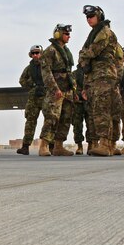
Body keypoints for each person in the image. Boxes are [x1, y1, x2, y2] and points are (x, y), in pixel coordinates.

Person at [78, 6, 120, 157]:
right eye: (87, 16)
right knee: (103, 110)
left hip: (104, 76)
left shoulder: (104, 32)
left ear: (99, 16)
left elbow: (91, 52)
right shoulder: (93, 33)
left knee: (102, 110)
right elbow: (86, 59)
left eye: (91, 15)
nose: (88, 19)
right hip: (97, 76)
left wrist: (82, 54)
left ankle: (105, 144)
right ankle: (109, 144)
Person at [40, 24, 76, 156]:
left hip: (67, 90)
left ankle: (58, 146)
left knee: (66, 118)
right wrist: (55, 88)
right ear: (58, 34)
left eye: (69, 34)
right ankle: (43, 145)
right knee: (52, 117)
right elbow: (46, 72)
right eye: (66, 34)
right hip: (56, 90)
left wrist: (74, 90)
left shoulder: (66, 52)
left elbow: (69, 73)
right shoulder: (50, 51)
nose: (69, 36)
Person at [17, 44, 45, 155]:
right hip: (33, 97)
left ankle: (49, 146)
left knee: (50, 120)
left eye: (37, 53)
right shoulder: (29, 68)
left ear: (41, 54)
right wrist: (32, 84)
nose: (35, 55)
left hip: (46, 95)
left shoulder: (47, 66)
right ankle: (25, 147)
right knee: (30, 122)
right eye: (33, 53)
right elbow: (22, 80)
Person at [71, 66, 92, 155]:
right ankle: (79, 146)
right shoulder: (74, 74)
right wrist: (76, 94)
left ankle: (91, 145)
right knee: (77, 124)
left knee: (91, 124)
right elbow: (71, 86)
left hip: (89, 101)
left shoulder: (92, 73)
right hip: (77, 102)